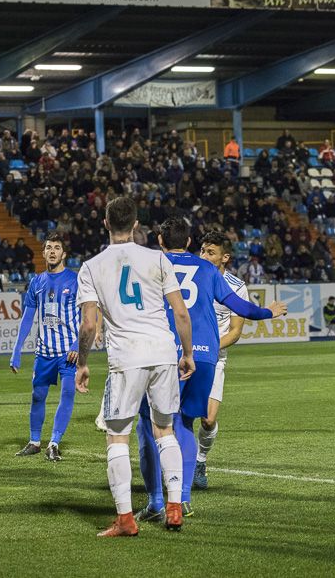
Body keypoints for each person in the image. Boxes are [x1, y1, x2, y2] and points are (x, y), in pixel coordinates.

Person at [136, 218, 286, 521]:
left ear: (161, 241)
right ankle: (184, 498)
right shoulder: (207, 269)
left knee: (149, 425)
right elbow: (243, 309)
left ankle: (156, 500)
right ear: (190, 242)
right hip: (204, 355)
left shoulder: (152, 264)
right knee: (186, 424)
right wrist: (269, 311)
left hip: (164, 352)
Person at [74, 196, 193, 536]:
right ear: (137, 224)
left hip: (127, 358)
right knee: (165, 430)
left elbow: (89, 326)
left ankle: (125, 519)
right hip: (162, 351)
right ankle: (174, 508)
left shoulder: (91, 267)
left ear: (107, 223)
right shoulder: (158, 259)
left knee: (117, 437)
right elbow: (180, 313)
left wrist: (82, 363)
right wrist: (187, 353)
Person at [10, 234, 80, 462]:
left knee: (68, 393)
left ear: (64, 254)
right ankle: (34, 442)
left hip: (68, 351)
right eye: (48, 247)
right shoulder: (37, 282)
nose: (52, 251)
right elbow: (28, 317)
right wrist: (17, 349)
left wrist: (78, 344)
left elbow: (91, 315)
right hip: (44, 352)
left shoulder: (76, 280)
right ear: (43, 253)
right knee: (37, 395)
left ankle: (54, 442)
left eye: (57, 248)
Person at [192, 231, 250, 490]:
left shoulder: (237, 287)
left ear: (224, 257)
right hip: (184, 355)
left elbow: (235, 332)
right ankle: (176, 465)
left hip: (214, 359)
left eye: (210, 252)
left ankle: (201, 460)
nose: (203, 256)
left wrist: (207, 348)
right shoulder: (191, 278)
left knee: (208, 420)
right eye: (202, 250)